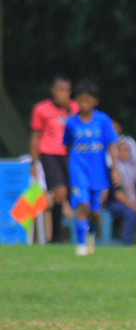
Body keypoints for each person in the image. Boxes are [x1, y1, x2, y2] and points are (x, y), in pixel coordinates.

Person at [62, 80, 119, 256]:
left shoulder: (103, 120)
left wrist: (115, 169)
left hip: (98, 170)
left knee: (95, 211)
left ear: (95, 101)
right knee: (82, 204)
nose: (83, 104)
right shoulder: (71, 122)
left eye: (87, 100)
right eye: (80, 100)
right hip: (78, 168)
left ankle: (91, 234)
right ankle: (80, 243)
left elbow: (111, 145)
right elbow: (67, 145)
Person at [29, 75, 79, 243]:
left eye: (68, 90)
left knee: (67, 193)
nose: (65, 94)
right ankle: (56, 235)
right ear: (53, 91)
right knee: (60, 192)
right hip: (49, 153)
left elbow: (79, 129)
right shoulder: (41, 109)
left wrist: (69, 110)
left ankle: (57, 235)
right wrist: (34, 160)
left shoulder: (75, 108)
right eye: (61, 90)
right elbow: (36, 136)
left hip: (70, 154)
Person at [106, 140, 136, 245]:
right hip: (117, 203)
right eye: (120, 150)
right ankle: (127, 243)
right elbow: (117, 194)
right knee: (130, 213)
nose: (123, 153)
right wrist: (135, 207)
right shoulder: (114, 170)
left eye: (126, 150)